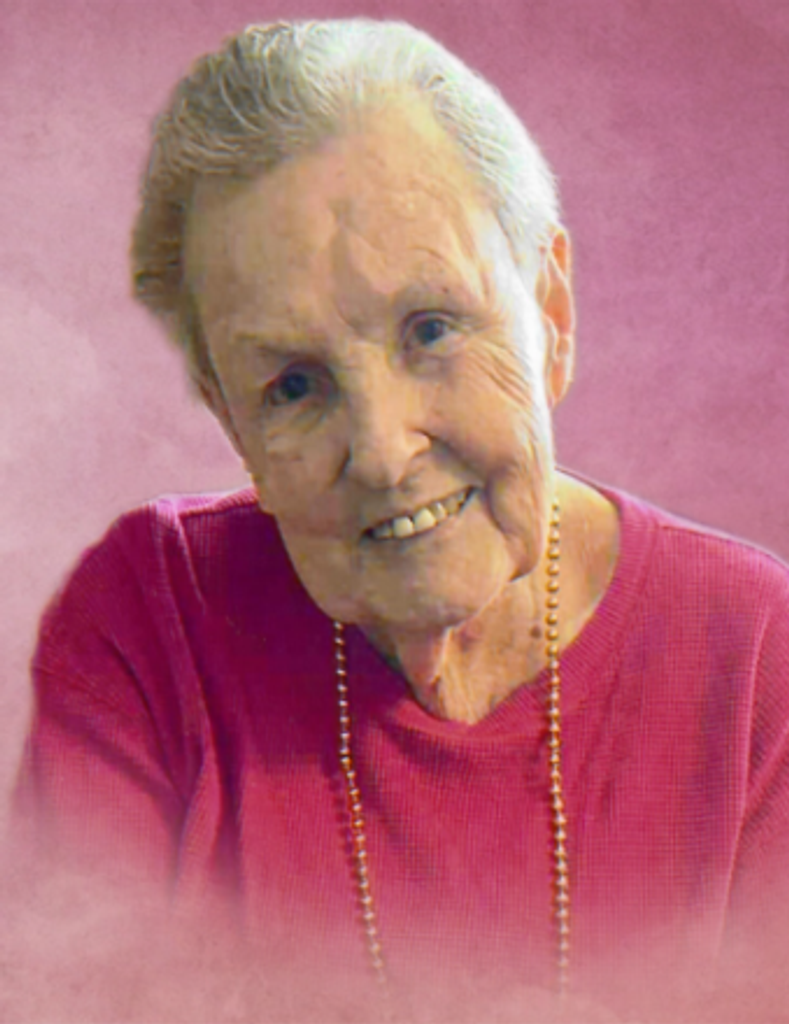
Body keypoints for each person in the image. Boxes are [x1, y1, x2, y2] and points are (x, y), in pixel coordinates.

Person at [12, 18, 789, 1024]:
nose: (381, 451)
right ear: (232, 422)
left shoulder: (755, 656)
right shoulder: (149, 624)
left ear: (550, 314)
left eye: (431, 329)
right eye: (294, 385)